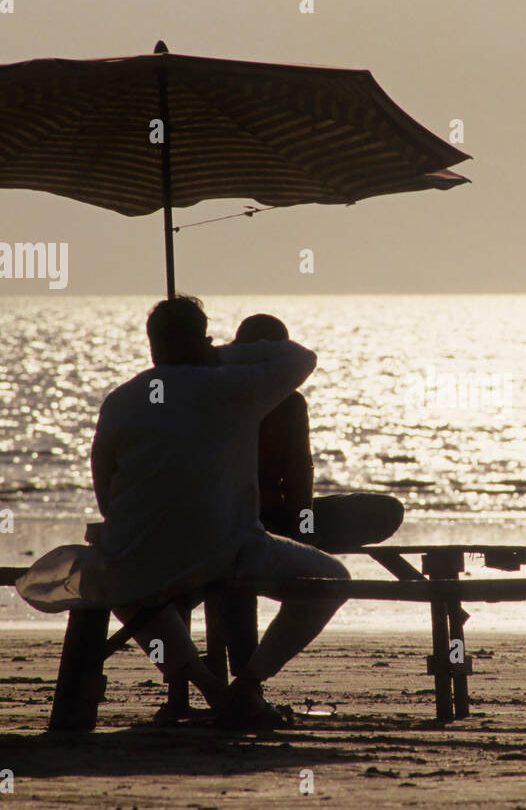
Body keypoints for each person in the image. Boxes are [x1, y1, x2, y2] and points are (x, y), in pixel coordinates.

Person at [89, 296, 349, 728]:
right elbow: (301, 356)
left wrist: (191, 356)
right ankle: (247, 685)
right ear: (204, 340)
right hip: (224, 552)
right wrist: (214, 356)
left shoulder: (122, 399)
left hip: (140, 558)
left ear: (152, 344)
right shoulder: (234, 387)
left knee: (124, 588)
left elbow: (105, 490)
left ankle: (205, 685)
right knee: (332, 582)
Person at [223, 315, 403, 676]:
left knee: (386, 509)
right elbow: (299, 475)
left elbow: (299, 475)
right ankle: (247, 676)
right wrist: (302, 528)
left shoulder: (240, 398)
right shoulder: (282, 403)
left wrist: (301, 522)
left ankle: (244, 675)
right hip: (258, 523)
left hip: (267, 519)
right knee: (235, 576)